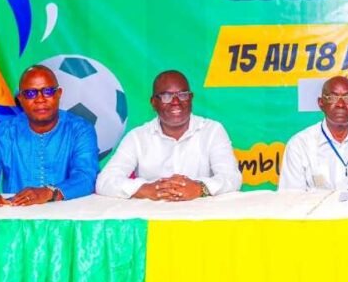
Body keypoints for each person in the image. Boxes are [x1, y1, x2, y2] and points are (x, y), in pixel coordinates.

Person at [96, 70, 241, 200]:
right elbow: (104, 181)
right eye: (166, 96)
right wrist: (145, 189)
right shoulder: (137, 137)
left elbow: (232, 177)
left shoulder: (212, 131)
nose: (176, 102)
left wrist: (200, 188)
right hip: (152, 217)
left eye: (182, 95)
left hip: (201, 217)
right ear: (154, 103)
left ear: (190, 98)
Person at [0, 65, 98, 206]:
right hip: (16, 214)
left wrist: (49, 192)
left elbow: (86, 177)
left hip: (68, 215)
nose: (40, 99)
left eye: (47, 91)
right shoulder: (2, 133)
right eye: (30, 93)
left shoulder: (80, 130)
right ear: (20, 98)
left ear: (59, 94)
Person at [279, 76, 348, 191]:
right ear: (321, 103)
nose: (340, 104)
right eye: (332, 97)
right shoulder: (299, 145)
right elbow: (291, 197)